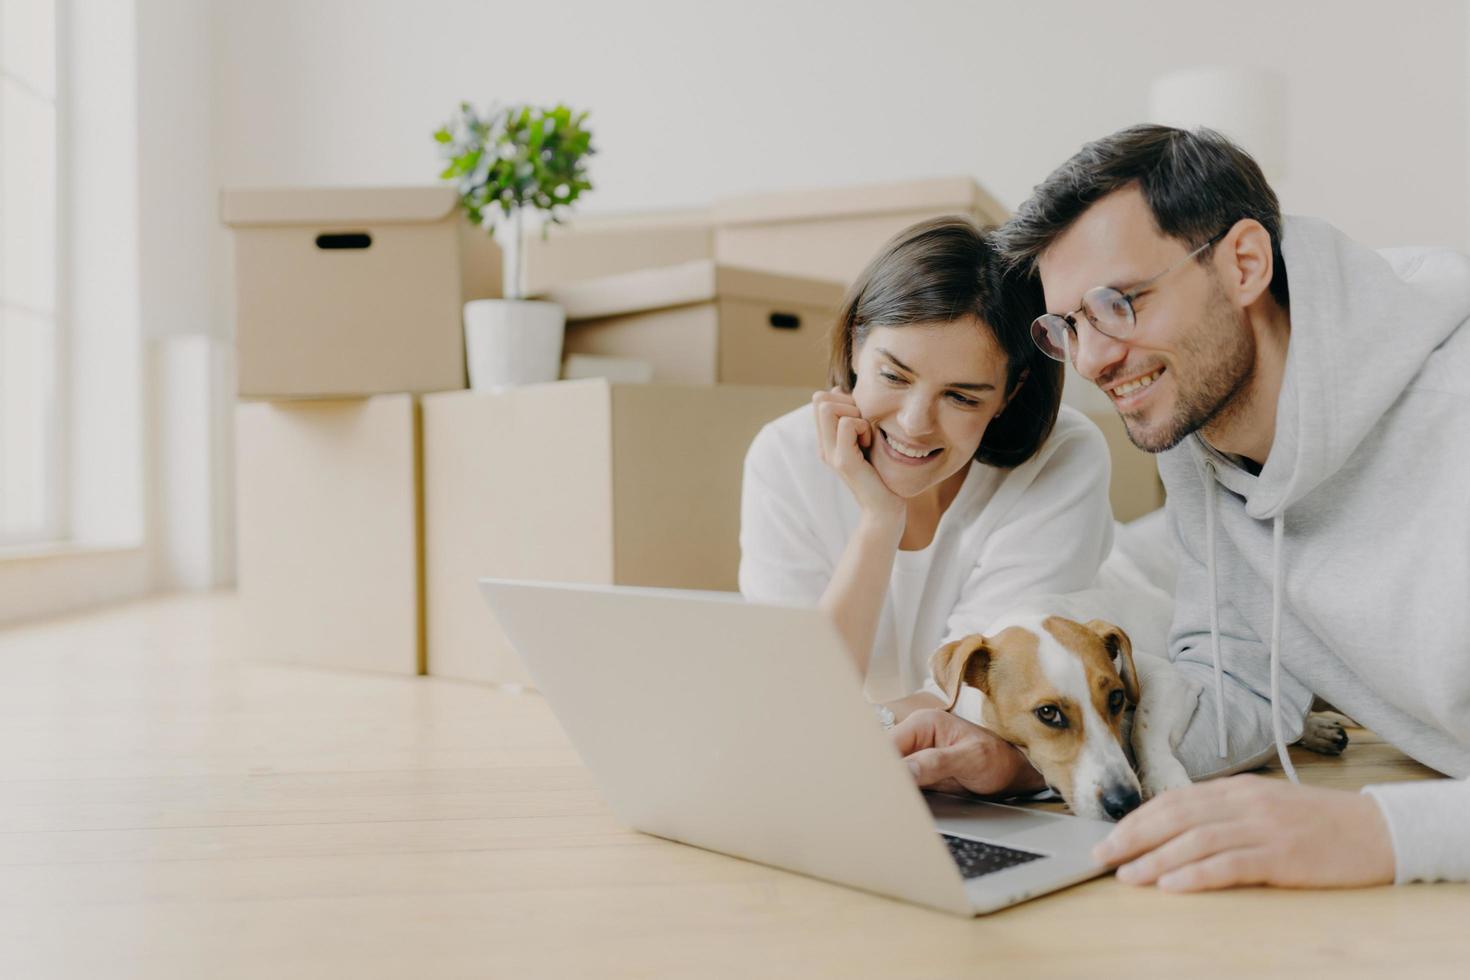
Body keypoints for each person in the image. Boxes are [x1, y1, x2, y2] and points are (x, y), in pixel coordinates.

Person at [898, 124, 1470, 889]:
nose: (1095, 359)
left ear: (1244, 264)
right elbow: (1239, 689)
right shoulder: (1198, 438)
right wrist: (1025, 763)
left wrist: (1378, 832)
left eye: (1119, 302)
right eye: (1070, 325)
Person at [739, 216, 1111, 749]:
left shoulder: (1064, 457)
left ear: (1009, 393)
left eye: (961, 397)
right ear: (853, 348)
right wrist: (879, 521)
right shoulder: (784, 457)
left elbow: (981, 700)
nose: (915, 424)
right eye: (893, 375)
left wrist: (847, 727)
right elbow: (800, 696)